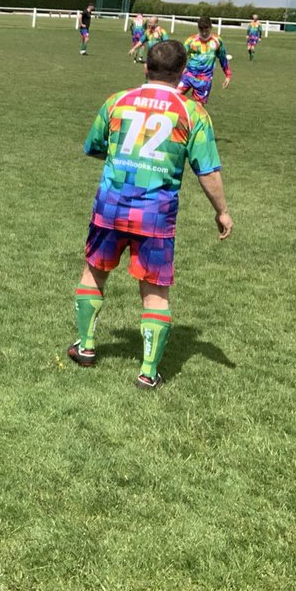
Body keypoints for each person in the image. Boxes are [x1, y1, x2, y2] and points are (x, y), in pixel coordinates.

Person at [68, 39, 232, 390]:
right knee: (155, 291)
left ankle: (86, 346)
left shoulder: (117, 101)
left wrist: (126, 160)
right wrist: (222, 211)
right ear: (183, 72)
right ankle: (147, 372)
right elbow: (208, 171)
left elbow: (94, 146)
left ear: (146, 67)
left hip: (110, 207)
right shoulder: (192, 112)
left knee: (94, 273)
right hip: (155, 215)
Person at [179, 15, 232, 105]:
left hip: (204, 80)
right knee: (173, 97)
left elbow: (223, 58)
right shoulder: (191, 40)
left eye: (206, 30)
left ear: (211, 28)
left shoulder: (217, 41)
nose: (204, 33)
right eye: (201, 30)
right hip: (188, 75)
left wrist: (228, 75)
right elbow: (180, 56)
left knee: (198, 109)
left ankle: (190, 118)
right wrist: (179, 70)